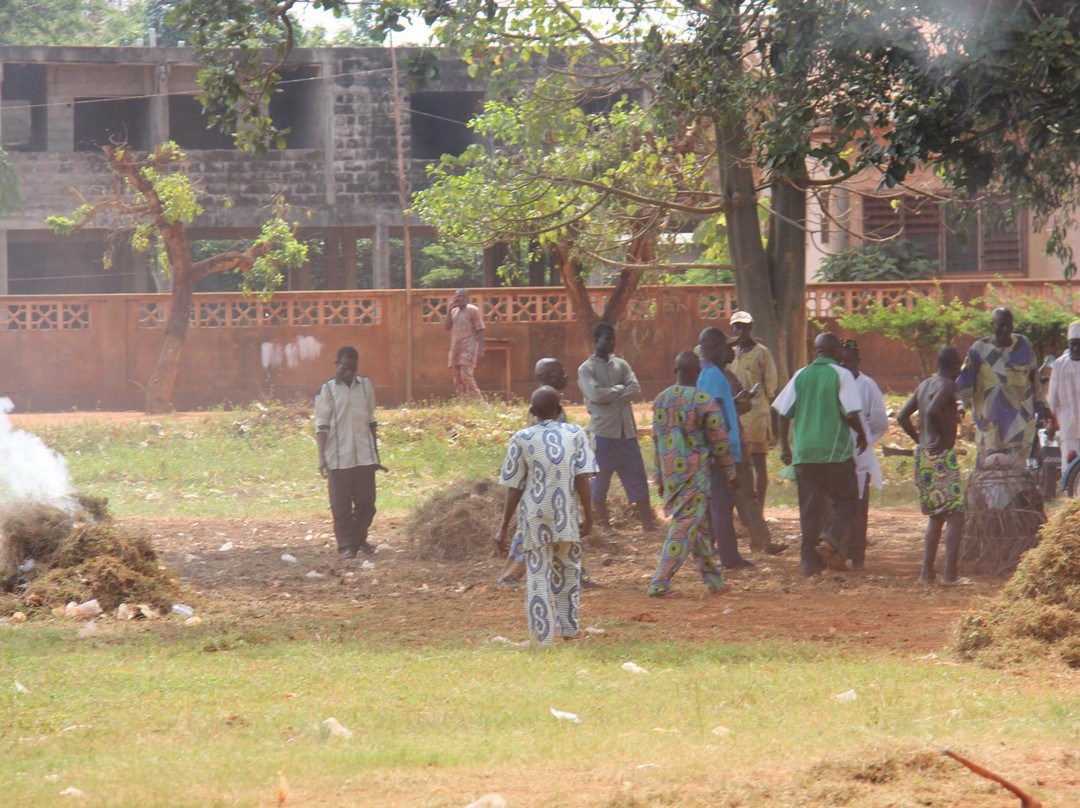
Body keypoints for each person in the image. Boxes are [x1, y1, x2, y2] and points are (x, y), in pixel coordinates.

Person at [495, 386, 597, 646]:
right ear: (561, 410)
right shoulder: (575, 434)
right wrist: (589, 515)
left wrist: (504, 526)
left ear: (531, 412)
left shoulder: (522, 438)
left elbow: (515, 486)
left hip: (535, 518)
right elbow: (582, 478)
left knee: (538, 574)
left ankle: (541, 640)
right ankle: (569, 630)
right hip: (566, 517)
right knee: (569, 572)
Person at [497, 357, 599, 589]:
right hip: (554, 490)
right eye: (559, 372)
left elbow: (517, 481)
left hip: (541, 494)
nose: (565, 376)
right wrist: (587, 510)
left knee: (554, 534)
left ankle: (577, 577)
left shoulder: (539, 406)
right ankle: (510, 577)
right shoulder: (555, 411)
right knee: (546, 534)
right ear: (547, 376)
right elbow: (579, 474)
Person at [773, 333, 868, 576]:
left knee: (809, 509)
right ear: (836, 352)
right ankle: (831, 536)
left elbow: (783, 413)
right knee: (847, 500)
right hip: (834, 452)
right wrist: (862, 434)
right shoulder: (842, 374)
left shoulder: (800, 375)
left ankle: (808, 564)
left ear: (816, 351)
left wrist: (785, 446)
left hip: (805, 453)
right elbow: (849, 413)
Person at [648, 351, 736, 597]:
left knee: (699, 528)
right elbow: (720, 442)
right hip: (695, 474)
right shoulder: (704, 401)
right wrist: (730, 472)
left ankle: (714, 581)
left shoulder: (660, 400)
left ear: (675, 371)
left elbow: (657, 441)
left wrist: (659, 477)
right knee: (685, 526)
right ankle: (660, 582)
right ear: (698, 373)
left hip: (670, 473)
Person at [577, 322, 657, 534]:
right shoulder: (586, 369)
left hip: (626, 432)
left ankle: (649, 525)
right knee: (600, 482)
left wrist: (609, 394)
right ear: (595, 341)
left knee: (638, 478)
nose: (612, 342)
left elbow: (636, 389)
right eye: (607, 339)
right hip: (603, 433)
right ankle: (604, 526)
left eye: (613, 338)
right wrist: (619, 390)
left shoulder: (622, 365)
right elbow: (595, 395)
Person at [897, 347, 965, 584]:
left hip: (923, 456)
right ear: (954, 366)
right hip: (941, 456)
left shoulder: (925, 384)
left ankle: (927, 573)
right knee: (955, 515)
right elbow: (935, 409)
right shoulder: (948, 384)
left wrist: (921, 441)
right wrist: (941, 438)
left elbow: (902, 416)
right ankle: (950, 575)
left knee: (937, 516)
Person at [956, 307, 1048, 467]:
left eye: (1008, 325)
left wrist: (1040, 405)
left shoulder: (1023, 345)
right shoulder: (979, 349)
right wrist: (960, 404)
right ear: (992, 325)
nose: (1005, 329)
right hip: (990, 424)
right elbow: (965, 382)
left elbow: (1034, 377)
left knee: (1016, 474)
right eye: (1000, 324)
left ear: (1012, 326)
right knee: (988, 472)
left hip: (1020, 423)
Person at [697, 326, 757, 569]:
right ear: (712, 346)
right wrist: (723, 451)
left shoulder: (707, 373)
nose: (728, 352)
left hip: (714, 449)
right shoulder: (713, 375)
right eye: (724, 347)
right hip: (718, 450)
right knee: (722, 504)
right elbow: (713, 416)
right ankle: (730, 557)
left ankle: (706, 551)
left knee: (716, 505)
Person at [315, 346, 381, 559]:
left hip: (364, 456)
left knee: (367, 504)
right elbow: (321, 426)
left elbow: (371, 420)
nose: (348, 373)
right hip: (338, 457)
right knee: (341, 506)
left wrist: (376, 455)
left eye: (352, 369)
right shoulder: (326, 390)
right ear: (336, 365)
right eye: (344, 368)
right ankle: (345, 545)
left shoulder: (366, 386)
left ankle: (359, 539)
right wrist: (321, 457)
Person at [838, 340, 888, 571]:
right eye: (841, 360)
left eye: (849, 360)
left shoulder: (868, 386)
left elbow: (879, 422)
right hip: (837, 453)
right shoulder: (836, 382)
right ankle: (838, 552)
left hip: (860, 455)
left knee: (858, 505)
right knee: (838, 504)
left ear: (858, 361)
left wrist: (866, 439)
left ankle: (857, 556)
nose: (845, 365)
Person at [729, 310, 779, 509]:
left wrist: (773, 424)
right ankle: (742, 508)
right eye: (736, 326)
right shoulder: (729, 353)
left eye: (744, 326)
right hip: (735, 415)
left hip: (757, 415)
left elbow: (771, 386)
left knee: (759, 464)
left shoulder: (762, 353)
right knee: (737, 464)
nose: (740, 330)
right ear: (732, 328)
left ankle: (759, 508)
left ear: (750, 327)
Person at [1047, 322, 1080, 480]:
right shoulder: (1060, 364)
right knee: (1070, 462)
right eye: (1073, 344)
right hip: (1069, 423)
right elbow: (1052, 395)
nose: (1076, 348)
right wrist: (1051, 422)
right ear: (1068, 344)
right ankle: (1072, 499)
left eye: (1079, 344)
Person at [444, 288, 485, 401]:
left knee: (466, 375)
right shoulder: (453, 311)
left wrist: (480, 348)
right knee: (457, 378)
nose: (460, 298)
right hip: (456, 347)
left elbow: (480, 329)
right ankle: (463, 402)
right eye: (457, 296)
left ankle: (479, 402)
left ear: (467, 298)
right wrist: (448, 310)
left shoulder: (473, 310)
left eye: (462, 296)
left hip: (469, 346)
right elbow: (446, 327)